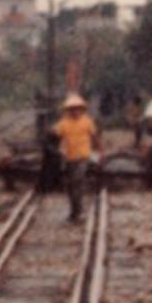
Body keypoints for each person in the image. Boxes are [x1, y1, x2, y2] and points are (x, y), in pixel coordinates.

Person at [52, 93, 100, 223]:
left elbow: (95, 137)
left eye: (77, 108)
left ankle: (78, 211)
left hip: (83, 156)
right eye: (72, 109)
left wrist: (99, 152)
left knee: (77, 182)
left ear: (82, 109)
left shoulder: (87, 121)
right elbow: (53, 136)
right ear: (68, 110)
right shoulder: (63, 123)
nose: (75, 111)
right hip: (69, 158)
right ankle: (74, 211)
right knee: (71, 186)